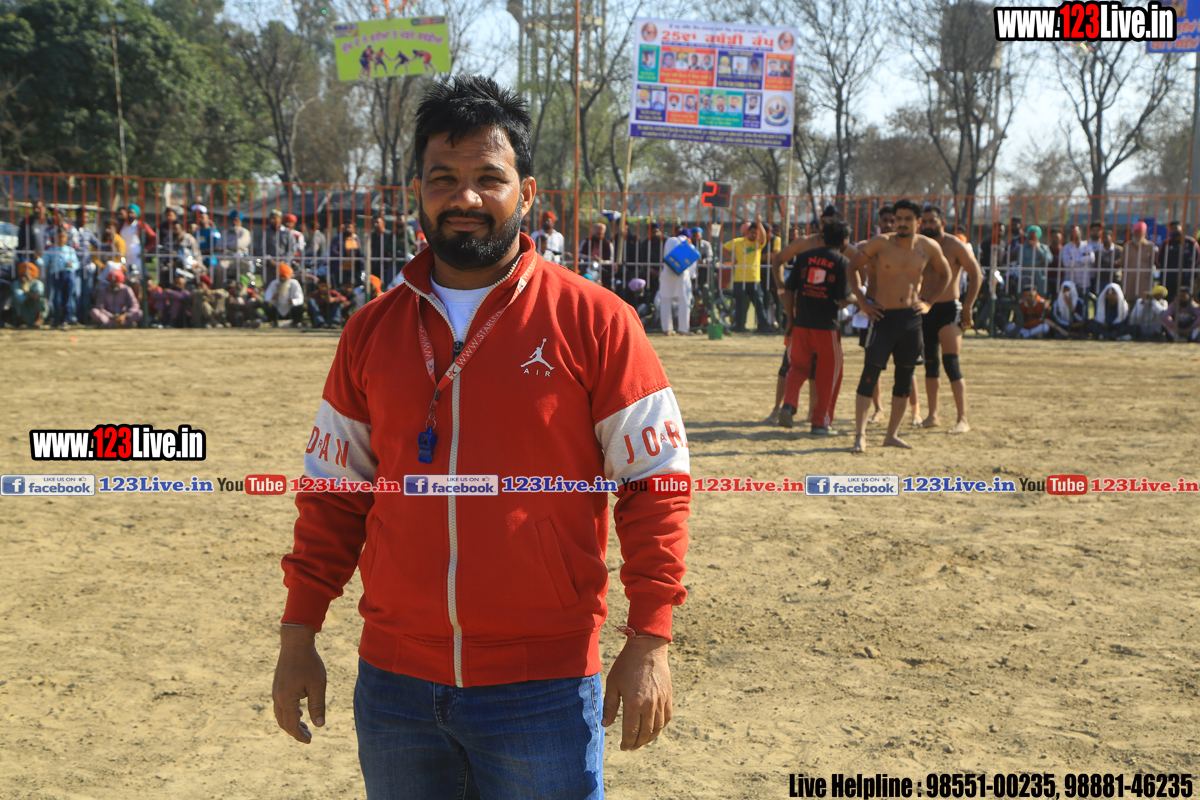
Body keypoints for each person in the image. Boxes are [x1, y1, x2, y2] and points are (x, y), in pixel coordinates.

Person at [272, 76, 689, 799]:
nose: (464, 197)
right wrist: (298, 633)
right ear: (418, 191)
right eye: (443, 178)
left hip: (543, 687)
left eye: (487, 178)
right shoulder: (371, 331)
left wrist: (650, 637)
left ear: (526, 194)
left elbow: (657, 485)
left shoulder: (596, 321)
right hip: (394, 687)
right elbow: (334, 494)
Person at [847, 198, 951, 453]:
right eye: (898, 219)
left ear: (917, 222)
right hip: (883, 317)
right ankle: (860, 436)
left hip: (911, 319)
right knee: (869, 376)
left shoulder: (928, 246)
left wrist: (929, 302)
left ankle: (891, 435)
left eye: (907, 219)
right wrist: (863, 302)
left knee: (904, 378)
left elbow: (945, 274)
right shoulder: (880, 243)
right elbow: (852, 268)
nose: (901, 223)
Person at [777, 220, 851, 434]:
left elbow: (789, 291)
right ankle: (820, 422)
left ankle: (789, 404)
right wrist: (858, 299)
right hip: (827, 327)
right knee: (830, 374)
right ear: (845, 241)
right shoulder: (842, 261)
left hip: (801, 323)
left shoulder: (804, 257)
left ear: (822, 236)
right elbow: (843, 299)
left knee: (797, 367)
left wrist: (790, 320)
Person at [918, 204, 982, 435]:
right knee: (930, 364)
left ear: (942, 223)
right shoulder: (918, 245)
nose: (927, 225)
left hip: (949, 309)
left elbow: (976, 274)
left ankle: (962, 418)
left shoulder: (954, 245)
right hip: (924, 308)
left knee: (951, 363)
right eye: (924, 221)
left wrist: (968, 306)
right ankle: (932, 415)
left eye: (932, 221)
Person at [722, 216, 770, 332]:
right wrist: (732, 258)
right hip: (739, 279)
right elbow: (723, 248)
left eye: (756, 233)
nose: (754, 235)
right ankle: (739, 327)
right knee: (740, 305)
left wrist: (759, 222)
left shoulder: (758, 244)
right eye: (752, 232)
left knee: (759, 304)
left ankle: (763, 327)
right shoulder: (737, 242)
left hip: (754, 279)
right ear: (747, 232)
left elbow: (764, 237)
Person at [659, 226, 694, 335]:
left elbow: (666, 256)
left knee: (665, 300)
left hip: (667, 273)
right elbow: (692, 268)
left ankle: (667, 329)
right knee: (684, 302)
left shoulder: (670, 240)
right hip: (682, 276)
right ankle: (683, 329)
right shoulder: (691, 246)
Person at [44, 228, 81, 329]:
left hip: (68, 275)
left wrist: (71, 265)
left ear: (66, 238)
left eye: (63, 236)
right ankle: (56, 319)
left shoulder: (70, 250)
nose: (61, 239)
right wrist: (38, 257)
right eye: (59, 237)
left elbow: (77, 264)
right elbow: (43, 262)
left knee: (67, 298)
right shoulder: (51, 250)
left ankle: (65, 320)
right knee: (57, 298)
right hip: (56, 275)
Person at [1156, 221, 1198, 300]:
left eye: (1176, 228)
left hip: (1186, 277)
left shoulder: (1191, 243)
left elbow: (1198, 258)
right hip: (1169, 278)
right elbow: (1158, 260)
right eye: (1172, 228)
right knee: (1169, 298)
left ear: (1181, 228)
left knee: (1185, 298)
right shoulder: (1166, 243)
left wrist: (1189, 269)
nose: (1174, 230)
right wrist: (1165, 270)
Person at [1010, 225, 1051, 297]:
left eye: (1034, 233)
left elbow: (1049, 260)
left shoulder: (1044, 248)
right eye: (1030, 233)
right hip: (1025, 277)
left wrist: (1039, 250)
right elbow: (1021, 262)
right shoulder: (1023, 248)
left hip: (1040, 278)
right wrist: (1039, 262)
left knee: (1040, 298)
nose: (1032, 236)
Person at [119, 203, 156, 282]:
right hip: (123, 256)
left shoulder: (141, 226)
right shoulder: (121, 225)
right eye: (129, 212)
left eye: (132, 213)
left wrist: (146, 249)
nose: (130, 215)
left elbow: (155, 239)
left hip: (136, 257)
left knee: (138, 278)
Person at [1123, 221, 1158, 300]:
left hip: (1144, 278)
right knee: (1129, 299)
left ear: (1144, 233)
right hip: (1130, 278)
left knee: (1144, 299)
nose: (1138, 234)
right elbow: (1123, 263)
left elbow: (1154, 262)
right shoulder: (1127, 246)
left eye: (1140, 232)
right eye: (1136, 232)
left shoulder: (1150, 246)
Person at [265, 262, 305, 326]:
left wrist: (293, 301)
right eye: (281, 276)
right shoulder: (274, 283)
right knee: (266, 305)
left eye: (284, 276)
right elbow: (266, 298)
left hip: (290, 310)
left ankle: (296, 322)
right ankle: (273, 321)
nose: (282, 279)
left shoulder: (294, 283)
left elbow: (300, 299)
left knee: (300, 306)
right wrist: (273, 298)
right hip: (277, 310)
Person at [1060, 225, 1095, 297]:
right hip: (1070, 282)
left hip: (1084, 282)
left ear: (1081, 233)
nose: (1073, 234)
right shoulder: (1066, 248)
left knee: (1084, 302)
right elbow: (1066, 263)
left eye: (1075, 232)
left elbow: (1091, 259)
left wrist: (1073, 259)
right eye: (1071, 232)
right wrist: (1083, 259)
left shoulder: (1087, 246)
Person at [11, 262, 47, 328]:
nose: (23, 278)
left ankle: (38, 320)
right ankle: (21, 322)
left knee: (41, 299)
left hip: (34, 309)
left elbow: (37, 296)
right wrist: (29, 295)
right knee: (15, 299)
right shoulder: (17, 283)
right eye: (21, 276)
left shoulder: (37, 283)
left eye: (25, 276)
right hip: (24, 310)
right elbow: (19, 298)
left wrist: (27, 292)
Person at [16, 199, 49, 266]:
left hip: (50, 259)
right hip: (32, 259)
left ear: (45, 209)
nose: (36, 210)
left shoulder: (51, 222)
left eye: (38, 208)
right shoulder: (27, 223)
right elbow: (21, 242)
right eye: (34, 208)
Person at [368, 215, 396, 288]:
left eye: (377, 222)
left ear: (383, 223)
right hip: (374, 265)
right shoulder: (372, 236)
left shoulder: (388, 235)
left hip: (386, 265)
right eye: (374, 223)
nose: (375, 224)